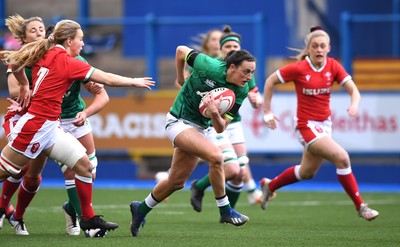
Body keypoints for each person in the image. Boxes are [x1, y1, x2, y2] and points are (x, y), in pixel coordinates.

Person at [0, 18, 155, 236]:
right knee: (6, 171)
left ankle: (89, 219)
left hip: (51, 127)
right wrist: (134, 81)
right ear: (70, 40)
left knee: (84, 166)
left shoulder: (47, 52)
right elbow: (107, 78)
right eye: (81, 39)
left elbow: (14, 61)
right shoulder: (68, 62)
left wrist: (25, 85)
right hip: (34, 127)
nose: (83, 43)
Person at [129, 46, 255, 237]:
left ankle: (141, 209)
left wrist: (214, 114)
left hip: (202, 128)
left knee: (176, 181)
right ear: (231, 67)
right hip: (178, 122)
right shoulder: (208, 66)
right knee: (216, 157)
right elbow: (180, 51)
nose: (249, 76)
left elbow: (221, 128)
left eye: (252, 72)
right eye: (246, 71)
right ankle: (225, 210)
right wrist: (180, 77)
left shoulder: (241, 90)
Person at [259, 26, 379, 221]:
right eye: (315, 46)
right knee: (342, 158)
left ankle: (269, 186)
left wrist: (354, 105)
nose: (319, 49)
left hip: (324, 126)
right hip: (306, 126)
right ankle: (361, 207)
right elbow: (270, 81)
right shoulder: (299, 68)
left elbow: (354, 91)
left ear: (329, 48)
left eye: (323, 46)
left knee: (306, 173)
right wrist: (267, 112)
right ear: (309, 48)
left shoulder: (333, 66)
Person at [190, 25, 266, 212]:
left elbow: (255, 95)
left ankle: (227, 212)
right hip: (215, 124)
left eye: (235, 47)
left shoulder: (245, 68)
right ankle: (199, 187)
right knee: (233, 170)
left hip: (234, 123)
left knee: (240, 173)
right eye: (228, 46)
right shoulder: (213, 66)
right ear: (221, 49)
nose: (232, 49)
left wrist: (257, 101)